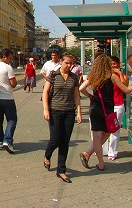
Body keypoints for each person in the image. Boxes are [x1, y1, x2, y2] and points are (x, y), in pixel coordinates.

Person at [79, 54, 132, 171]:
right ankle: (89, 154)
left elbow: (81, 88)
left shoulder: (93, 76)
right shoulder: (112, 76)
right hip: (108, 109)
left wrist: (91, 96)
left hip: (95, 108)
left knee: (97, 136)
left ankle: (97, 160)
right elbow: (126, 90)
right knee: (108, 132)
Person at [42, 53, 81, 183]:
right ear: (61, 62)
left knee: (65, 142)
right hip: (55, 111)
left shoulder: (74, 77)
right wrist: (46, 109)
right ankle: (47, 155)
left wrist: (79, 112)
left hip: (69, 112)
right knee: (55, 140)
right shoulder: (53, 75)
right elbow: (45, 92)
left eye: (71, 63)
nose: (69, 65)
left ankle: (61, 171)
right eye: (67, 63)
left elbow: (76, 95)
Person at [103, 55, 129, 161]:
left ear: (118, 64)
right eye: (111, 63)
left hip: (118, 105)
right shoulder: (106, 76)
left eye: (115, 63)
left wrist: (119, 74)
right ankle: (103, 149)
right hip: (107, 105)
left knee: (115, 130)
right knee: (104, 128)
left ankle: (112, 152)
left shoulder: (122, 75)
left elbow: (125, 86)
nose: (113, 65)